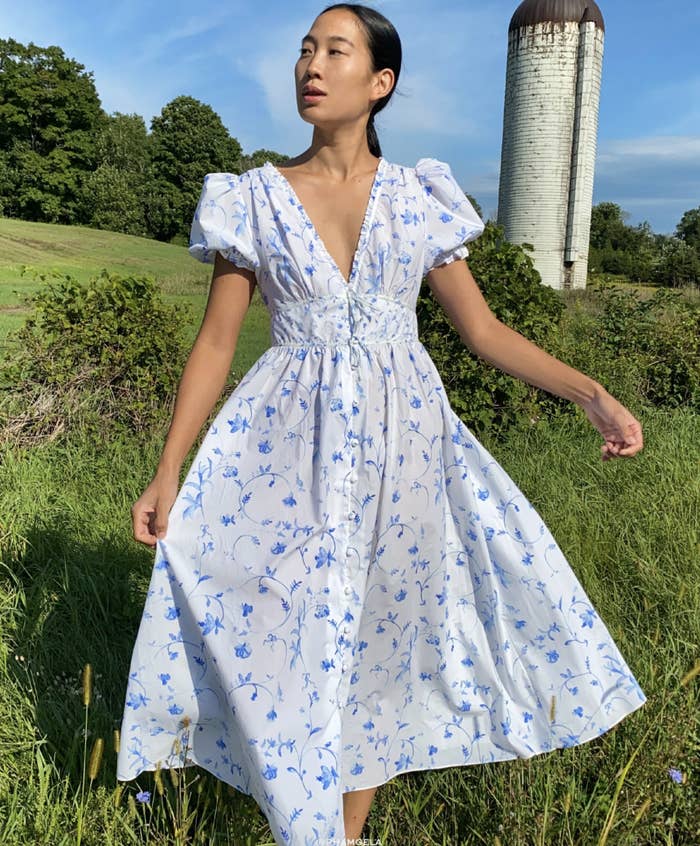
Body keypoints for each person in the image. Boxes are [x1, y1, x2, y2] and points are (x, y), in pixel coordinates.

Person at [117, 4, 646, 844]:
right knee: (281, 628)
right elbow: (216, 342)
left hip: (407, 451)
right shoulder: (251, 197)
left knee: (376, 640)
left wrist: (590, 393)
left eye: (335, 50)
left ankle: (344, 834)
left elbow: (484, 333)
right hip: (281, 448)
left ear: (380, 82)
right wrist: (168, 466)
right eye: (304, 50)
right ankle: (298, 814)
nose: (310, 66)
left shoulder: (418, 197)